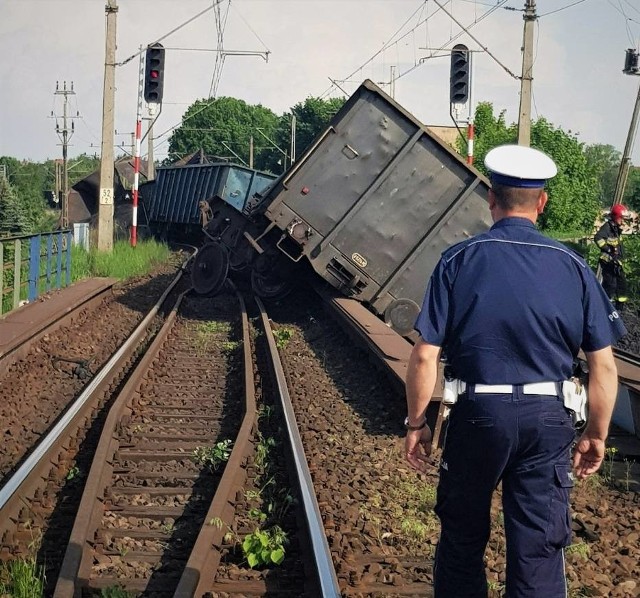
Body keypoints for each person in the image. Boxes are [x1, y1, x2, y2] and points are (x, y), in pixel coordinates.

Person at [403, 144, 626, 598]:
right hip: (548, 421)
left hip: (477, 415)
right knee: (539, 552)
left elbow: (426, 356)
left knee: (462, 541)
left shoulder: (457, 260)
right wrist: (597, 434)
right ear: (541, 202)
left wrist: (417, 423)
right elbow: (603, 365)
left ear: (491, 197)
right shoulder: (574, 267)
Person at [595, 203, 629, 310]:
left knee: (622, 285)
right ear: (615, 217)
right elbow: (598, 238)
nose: (623, 221)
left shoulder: (616, 229)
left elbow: (619, 246)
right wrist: (608, 249)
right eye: (621, 218)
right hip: (608, 262)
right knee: (610, 285)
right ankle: (605, 307)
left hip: (616, 262)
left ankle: (620, 307)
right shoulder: (607, 227)